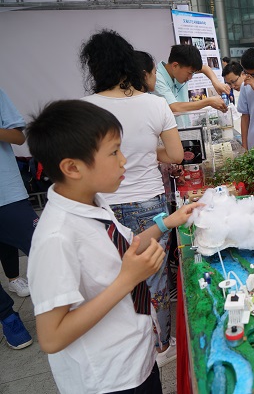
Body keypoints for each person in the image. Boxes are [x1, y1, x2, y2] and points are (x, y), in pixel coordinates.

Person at [25, 100, 200, 393]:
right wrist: (127, 280)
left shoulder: (93, 202)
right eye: (114, 152)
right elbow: (52, 337)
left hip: (136, 358)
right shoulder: (56, 237)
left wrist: (169, 222)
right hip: (108, 380)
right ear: (72, 167)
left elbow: (129, 246)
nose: (124, 160)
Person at [80, 30, 184, 368]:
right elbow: (176, 155)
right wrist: (147, 152)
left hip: (103, 207)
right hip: (149, 203)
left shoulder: (85, 108)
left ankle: (128, 341)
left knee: (114, 277)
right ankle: (161, 346)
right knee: (155, 280)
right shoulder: (155, 104)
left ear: (94, 67)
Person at [0, 88, 39, 350]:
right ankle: (7, 317)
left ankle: (66, 304)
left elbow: (17, 135)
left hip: (7, 192)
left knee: (42, 249)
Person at [153, 44, 230, 127]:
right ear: (175, 66)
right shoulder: (157, 79)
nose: (190, 78)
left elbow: (204, 68)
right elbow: (175, 108)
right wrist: (208, 102)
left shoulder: (180, 70)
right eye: (189, 73)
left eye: (192, 73)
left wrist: (216, 83)